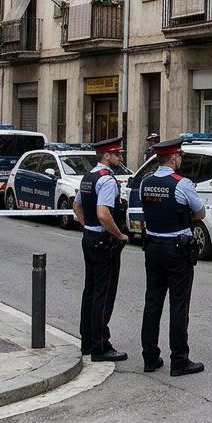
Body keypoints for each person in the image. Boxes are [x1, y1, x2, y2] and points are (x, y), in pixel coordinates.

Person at [138, 138, 206, 376]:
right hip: (176, 249)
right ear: (174, 158)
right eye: (180, 157)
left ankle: (150, 357)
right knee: (179, 305)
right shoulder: (181, 184)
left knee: (152, 303)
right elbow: (200, 212)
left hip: (153, 247)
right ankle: (179, 359)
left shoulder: (146, 183)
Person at [73, 136, 129, 362]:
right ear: (106, 155)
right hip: (104, 242)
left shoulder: (89, 177)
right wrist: (119, 234)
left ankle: (87, 341)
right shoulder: (106, 180)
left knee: (91, 290)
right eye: (117, 154)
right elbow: (103, 213)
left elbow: (77, 205)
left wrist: (88, 227)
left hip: (90, 238)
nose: (119, 157)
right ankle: (100, 345)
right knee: (103, 294)